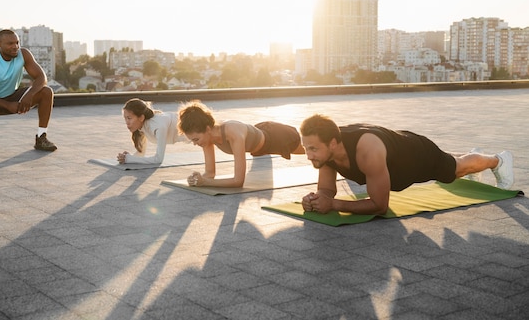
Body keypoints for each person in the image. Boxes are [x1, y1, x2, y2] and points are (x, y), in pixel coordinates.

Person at [299, 114, 514, 216]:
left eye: (313, 149)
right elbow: (327, 190)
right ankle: (474, 156)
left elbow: (380, 206)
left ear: (333, 143)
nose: (308, 155)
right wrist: (317, 200)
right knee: (458, 164)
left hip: (418, 154)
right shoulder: (326, 154)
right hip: (396, 151)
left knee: (456, 169)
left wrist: (335, 205)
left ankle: (498, 160)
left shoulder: (367, 151)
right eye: (306, 148)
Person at [0, 29, 57, 152]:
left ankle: (41, 137)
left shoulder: (23, 54)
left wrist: (29, 96)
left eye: (17, 42)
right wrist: (7, 105)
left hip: (13, 96)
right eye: (10, 44)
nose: (15, 47)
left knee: (46, 92)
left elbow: (42, 77)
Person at [178, 100, 305, 187]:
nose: (195, 144)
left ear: (207, 129)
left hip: (278, 137)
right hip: (260, 139)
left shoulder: (233, 132)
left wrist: (205, 182)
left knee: (308, 151)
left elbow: (238, 181)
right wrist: (196, 179)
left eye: (196, 139)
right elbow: (210, 174)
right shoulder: (207, 139)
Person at [116, 98, 187, 165]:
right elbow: (141, 154)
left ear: (141, 118)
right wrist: (128, 157)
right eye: (125, 118)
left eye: (129, 118)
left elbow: (158, 159)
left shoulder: (158, 126)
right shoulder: (142, 127)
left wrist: (130, 159)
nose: (127, 122)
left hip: (194, 124)